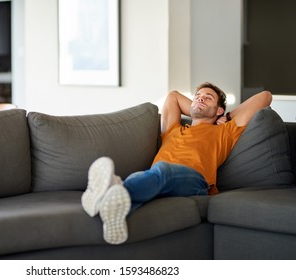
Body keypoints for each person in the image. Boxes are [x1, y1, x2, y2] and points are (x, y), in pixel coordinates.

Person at [81, 82, 272, 245]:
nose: (200, 99)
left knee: (162, 170)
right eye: (197, 96)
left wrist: (226, 116)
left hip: (195, 182)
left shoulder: (226, 131)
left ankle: (110, 191)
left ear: (219, 109)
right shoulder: (172, 128)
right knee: (140, 177)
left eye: (208, 98)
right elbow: (173, 96)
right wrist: (201, 107)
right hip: (155, 178)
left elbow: (265, 96)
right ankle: (112, 212)